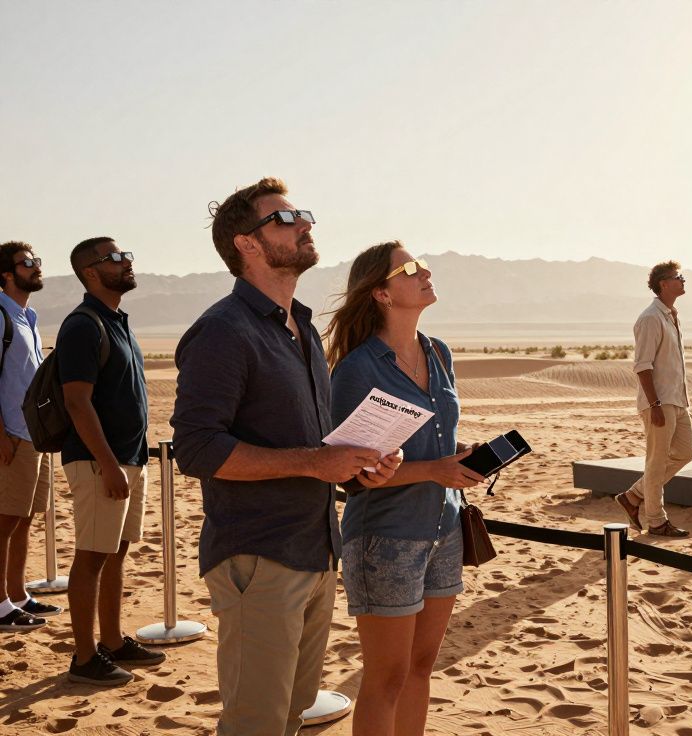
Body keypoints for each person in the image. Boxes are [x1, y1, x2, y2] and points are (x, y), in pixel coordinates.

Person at [171, 178, 399, 735]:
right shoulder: (223, 331)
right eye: (286, 218)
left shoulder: (301, 327)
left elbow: (313, 445)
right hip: (259, 556)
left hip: (316, 549)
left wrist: (357, 468)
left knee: (291, 716)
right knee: (256, 723)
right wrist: (314, 464)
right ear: (247, 244)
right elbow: (196, 447)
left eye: (303, 215)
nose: (305, 224)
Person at [323, 241, 483, 736]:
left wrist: (458, 459)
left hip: (444, 530)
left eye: (422, 265)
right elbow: (350, 472)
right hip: (385, 538)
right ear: (382, 294)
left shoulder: (438, 352)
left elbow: (437, 439)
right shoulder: (356, 369)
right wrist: (434, 469)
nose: (425, 272)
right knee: (387, 677)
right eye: (410, 269)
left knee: (420, 667)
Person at [59, 237, 163, 685]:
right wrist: (106, 463)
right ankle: (84, 658)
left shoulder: (116, 321)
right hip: (100, 462)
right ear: (90, 272)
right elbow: (76, 402)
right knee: (91, 556)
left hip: (128, 458)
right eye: (115, 258)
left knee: (116, 553)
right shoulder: (82, 326)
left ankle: (114, 642)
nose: (126, 263)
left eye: (126, 256)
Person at [0, 242, 61, 633]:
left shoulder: (28, 316)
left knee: (24, 519)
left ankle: (17, 595)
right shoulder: (1, 316)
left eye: (36, 261)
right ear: (6, 274)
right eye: (27, 263)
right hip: (11, 435)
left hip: (33, 435)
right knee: (4, 521)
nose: (36, 267)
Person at [614, 260, 692, 537]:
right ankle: (657, 521)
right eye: (678, 277)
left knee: (685, 453)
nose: (683, 280)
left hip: (678, 400)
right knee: (656, 462)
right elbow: (642, 366)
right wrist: (655, 404)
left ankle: (633, 496)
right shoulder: (650, 318)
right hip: (659, 402)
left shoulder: (671, 316)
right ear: (664, 283)